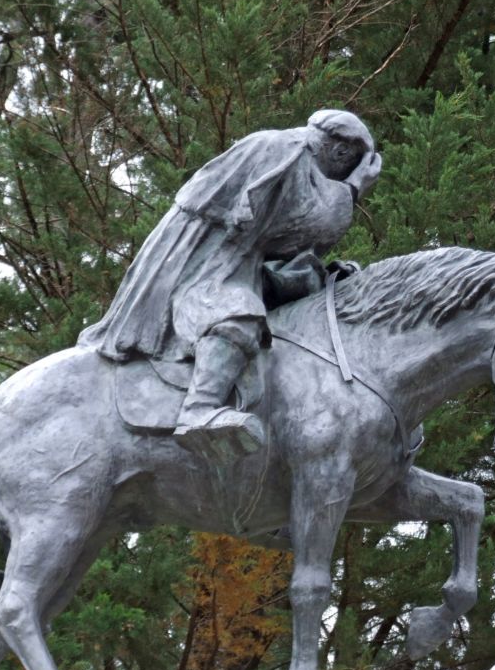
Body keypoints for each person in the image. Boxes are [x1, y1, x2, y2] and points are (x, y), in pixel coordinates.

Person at [78, 110, 381, 458]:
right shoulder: (281, 148)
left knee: (295, 294)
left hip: (236, 262)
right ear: (341, 153)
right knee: (239, 313)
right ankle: (199, 410)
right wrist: (354, 189)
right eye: (348, 167)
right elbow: (305, 224)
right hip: (202, 264)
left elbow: (284, 243)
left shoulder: (294, 155)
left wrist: (317, 276)